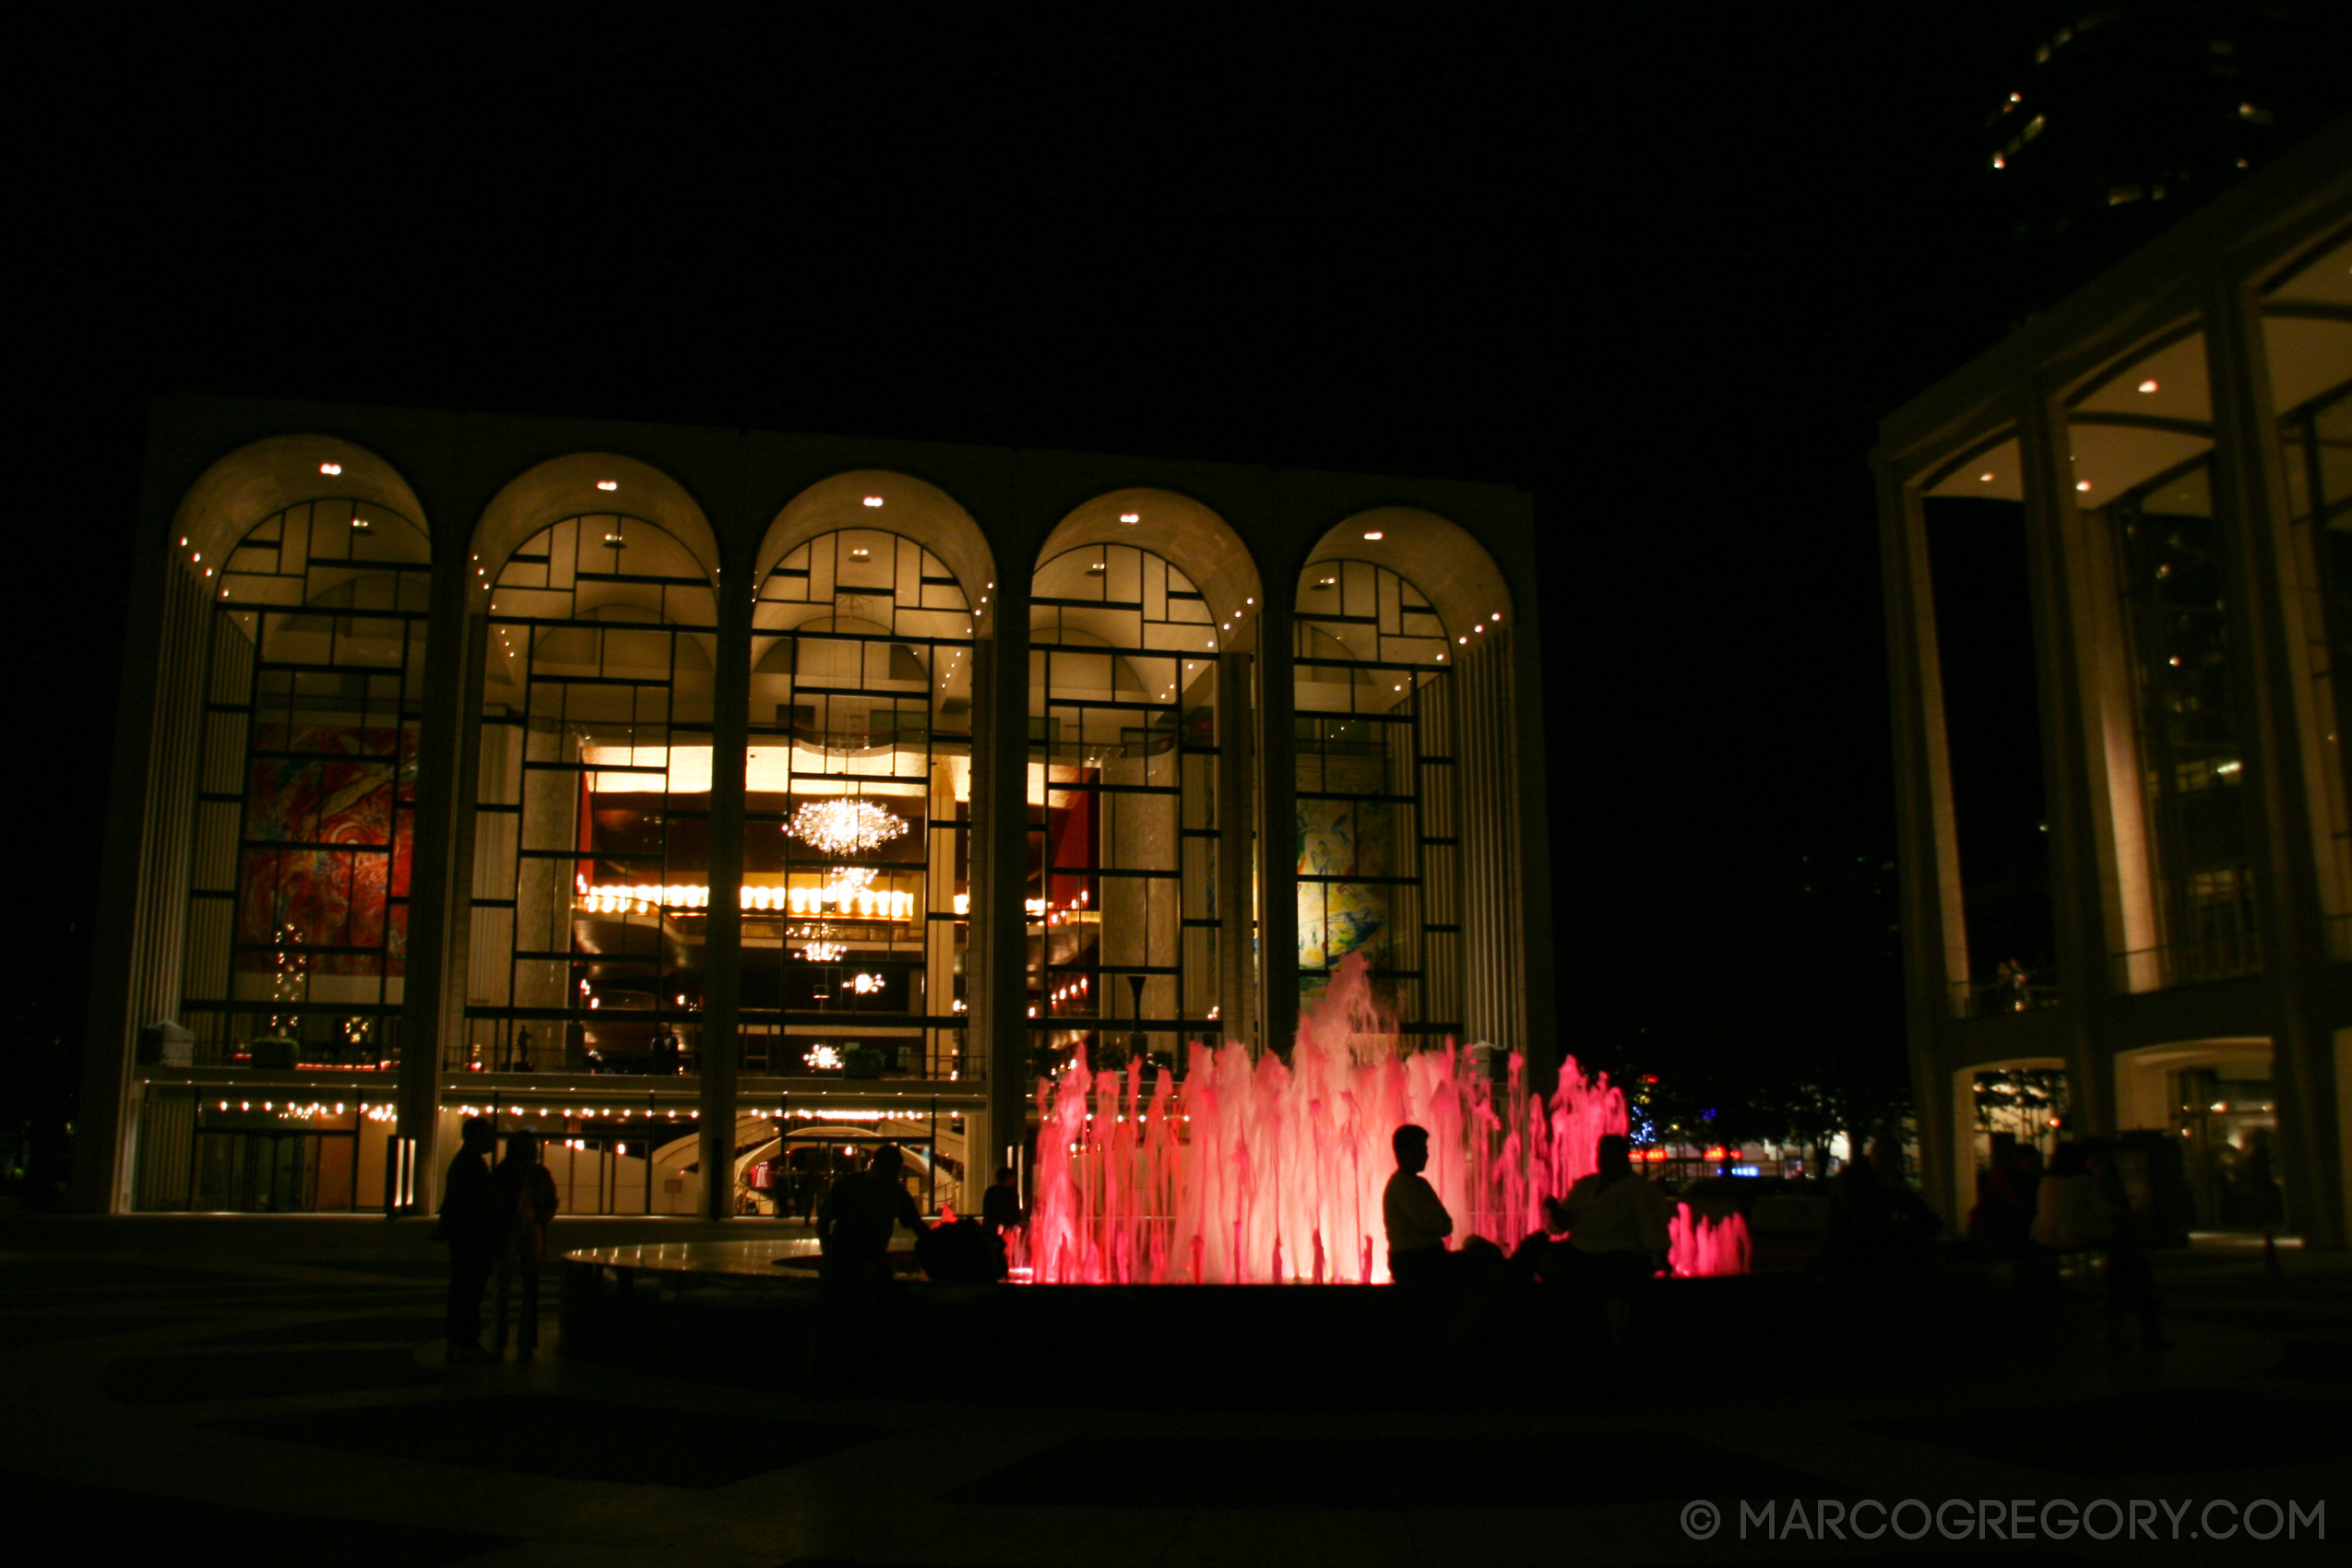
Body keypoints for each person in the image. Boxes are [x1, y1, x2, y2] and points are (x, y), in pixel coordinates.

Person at [810, 1143, 923, 1378]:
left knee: (844, 1320)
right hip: (853, 1260)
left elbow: (823, 1222)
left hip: (858, 1259)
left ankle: (836, 1374)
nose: (894, 1175)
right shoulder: (879, 1190)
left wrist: (828, 1252)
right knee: (848, 1320)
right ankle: (840, 1373)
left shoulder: (867, 1188)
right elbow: (915, 1224)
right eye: (892, 1170)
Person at [490, 1131, 560, 1360]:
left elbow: (551, 1200)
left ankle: (508, 1343)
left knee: (513, 1287)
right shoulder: (529, 1173)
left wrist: (540, 1216)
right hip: (512, 1229)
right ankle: (518, 1343)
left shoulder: (506, 1172)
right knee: (520, 1287)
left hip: (518, 1228)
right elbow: (551, 1199)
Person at [435, 1116, 498, 1363]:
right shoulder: (472, 1165)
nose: (493, 1140)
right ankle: (466, 1342)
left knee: (464, 1289)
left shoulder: (463, 1162)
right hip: (471, 1238)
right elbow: (472, 1203)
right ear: (476, 1137)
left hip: (465, 1237)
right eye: (488, 1134)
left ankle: (458, 1341)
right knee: (469, 1290)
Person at [1383, 1123, 1455, 1288]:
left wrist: (1439, 1224)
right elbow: (1430, 1223)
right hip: (1413, 1260)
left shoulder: (1421, 1184)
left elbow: (1445, 1223)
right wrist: (1439, 1224)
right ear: (1405, 1153)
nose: (1426, 1155)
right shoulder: (1400, 1186)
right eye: (1421, 1149)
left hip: (1428, 1256)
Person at [981, 1166, 1025, 1237]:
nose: (1014, 1181)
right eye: (1013, 1178)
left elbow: (987, 1211)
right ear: (1008, 1177)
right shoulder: (1011, 1193)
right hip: (1006, 1230)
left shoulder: (990, 1191)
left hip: (990, 1228)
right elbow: (1012, 1214)